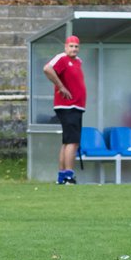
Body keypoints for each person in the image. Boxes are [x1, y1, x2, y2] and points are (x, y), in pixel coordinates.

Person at [42, 35, 86, 185]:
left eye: (76, 46)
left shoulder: (78, 61)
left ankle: (62, 176)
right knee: (72, 141)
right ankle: (69, 175)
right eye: (71, 46)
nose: (74, 49)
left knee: (68, 141)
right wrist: (61, 86)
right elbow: (47, 68)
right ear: (65, 47)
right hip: (68, 105)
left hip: (77, 106)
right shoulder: (61, 58)